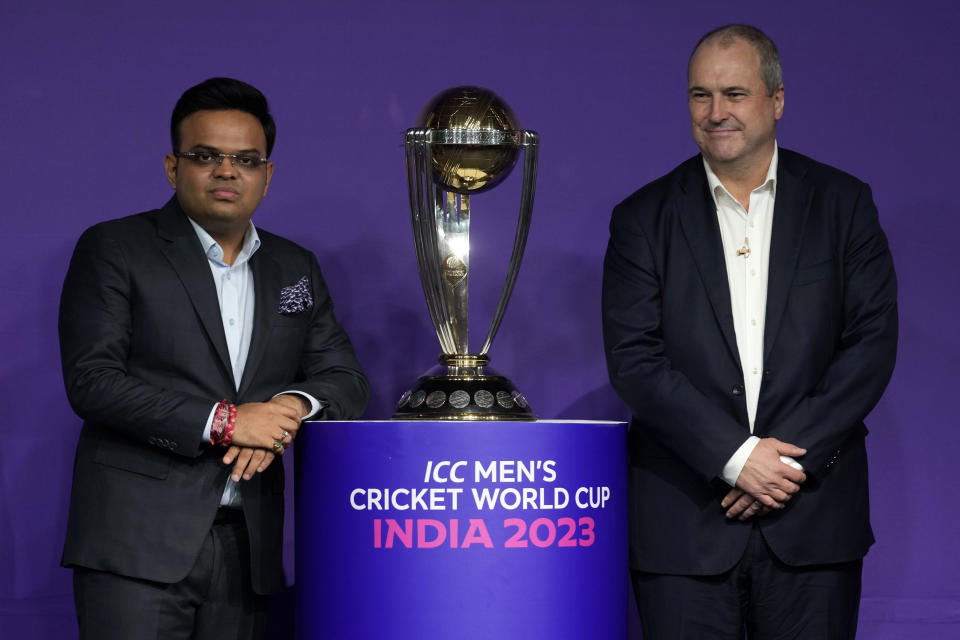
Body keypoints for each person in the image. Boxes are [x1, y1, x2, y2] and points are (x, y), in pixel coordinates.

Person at [602, 25, 897, 639]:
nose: (716, 113)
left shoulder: (843, 205)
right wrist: (736, 459)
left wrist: (780, 465)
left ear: (776, 101)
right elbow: (635, 360)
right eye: (700, 95)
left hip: (813, 523)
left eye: (734, 94)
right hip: (684, 527)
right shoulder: (641, 218)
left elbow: (870, 346)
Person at [59, 77, 370, 639]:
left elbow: (344, 376)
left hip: (247, 547)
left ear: (267, 175)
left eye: (246, 159)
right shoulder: (116, 247)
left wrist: (288, 409)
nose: (228, 171)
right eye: (206, 156)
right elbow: (92, 381)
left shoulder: (293, 265)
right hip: (136, 547)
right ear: (173, 167)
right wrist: (229, 422)